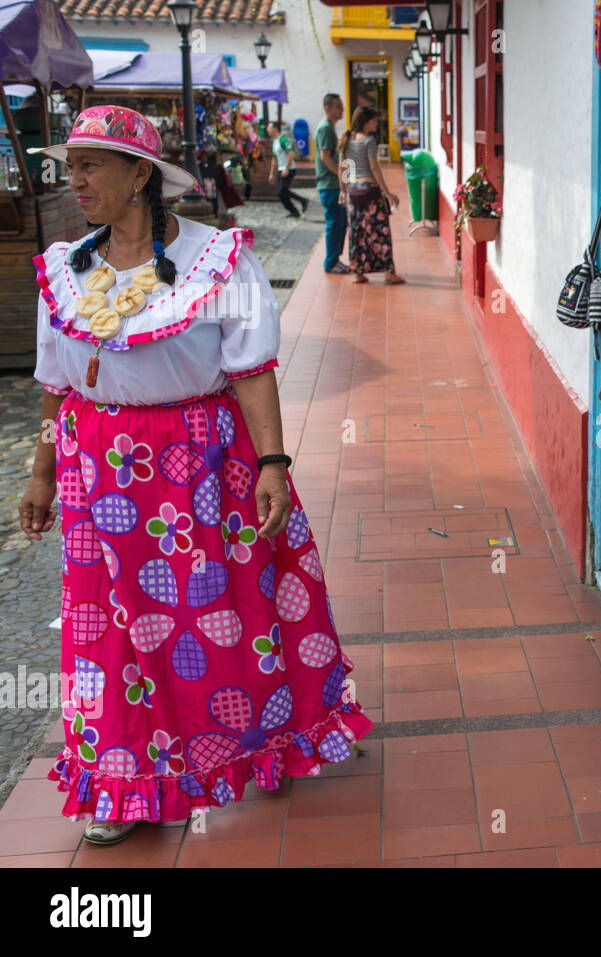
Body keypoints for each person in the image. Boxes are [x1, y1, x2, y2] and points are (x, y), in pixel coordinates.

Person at [18, 105, 373, 846]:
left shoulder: (218, 259)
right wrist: (42, 472)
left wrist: (273, 461)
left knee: (240, 610)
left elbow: (252, 371)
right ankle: (127, 785)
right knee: (110, 634)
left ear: (140, 173)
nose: (73, 180)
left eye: (90, 165)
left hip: (201, 464)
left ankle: (284, 735)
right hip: (100, 476)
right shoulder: (65, 269)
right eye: (70, 165)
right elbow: (57, 382)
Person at [339, 107, 404, 285]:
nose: (377, 124)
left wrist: (343, 191)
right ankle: (389, 273)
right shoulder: (369, 141)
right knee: (381, 231)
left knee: (356, 232)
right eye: (375, 121)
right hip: (369, 191)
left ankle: (358, 273)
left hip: (353, 191)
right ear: (366, 122)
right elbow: (374, 168)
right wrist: (387, 193)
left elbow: (344, 168)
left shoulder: (347, 141)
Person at [315, 94, 349, 275]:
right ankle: (331, 262)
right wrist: (339, 174)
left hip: (332, 184)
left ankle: (335, 258)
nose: (341, 110)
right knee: (335, 223)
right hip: (329, 184)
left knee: (340, 223)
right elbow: (325, 156)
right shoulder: (325, 128)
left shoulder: (329, 128)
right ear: (328, 108)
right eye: (338, 107)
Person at [267, 120, 309, 218]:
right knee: (280, 193)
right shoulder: (275, 142)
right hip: (280, 169)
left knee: (282, 191)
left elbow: (291, 154)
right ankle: (294, 210)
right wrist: (271, 173)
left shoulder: (284, 140)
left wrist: (287, 168)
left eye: (269, 127)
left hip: (289, 169)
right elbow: (274, 159)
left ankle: (303, 201)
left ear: (275, 129)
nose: (267, 130)